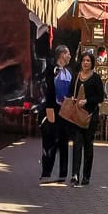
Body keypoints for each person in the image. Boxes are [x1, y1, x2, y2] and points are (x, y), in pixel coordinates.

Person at [68, 52, 104, 187]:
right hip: (77, 115)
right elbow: (71, 91)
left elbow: (100, 97)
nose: (86, 63)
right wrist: (73, 98)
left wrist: (87, 101)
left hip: (90, 115)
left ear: (92, 63)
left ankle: (86, 176)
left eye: (88, 60)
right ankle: (75, 174)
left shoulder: (95, 78)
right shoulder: (76, 77)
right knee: (77, 144)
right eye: (84, 60)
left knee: (88, 145)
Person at [39, 45, 72, 184]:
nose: (70, 56)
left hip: (65, 112)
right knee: (49, 143)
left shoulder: (68, 72)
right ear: (62, 55)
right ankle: (47, 173)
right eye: (68, 53)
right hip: (52, 110)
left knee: (64, 143)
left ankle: (62, 174)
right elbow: (46, 89)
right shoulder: (51, 70)